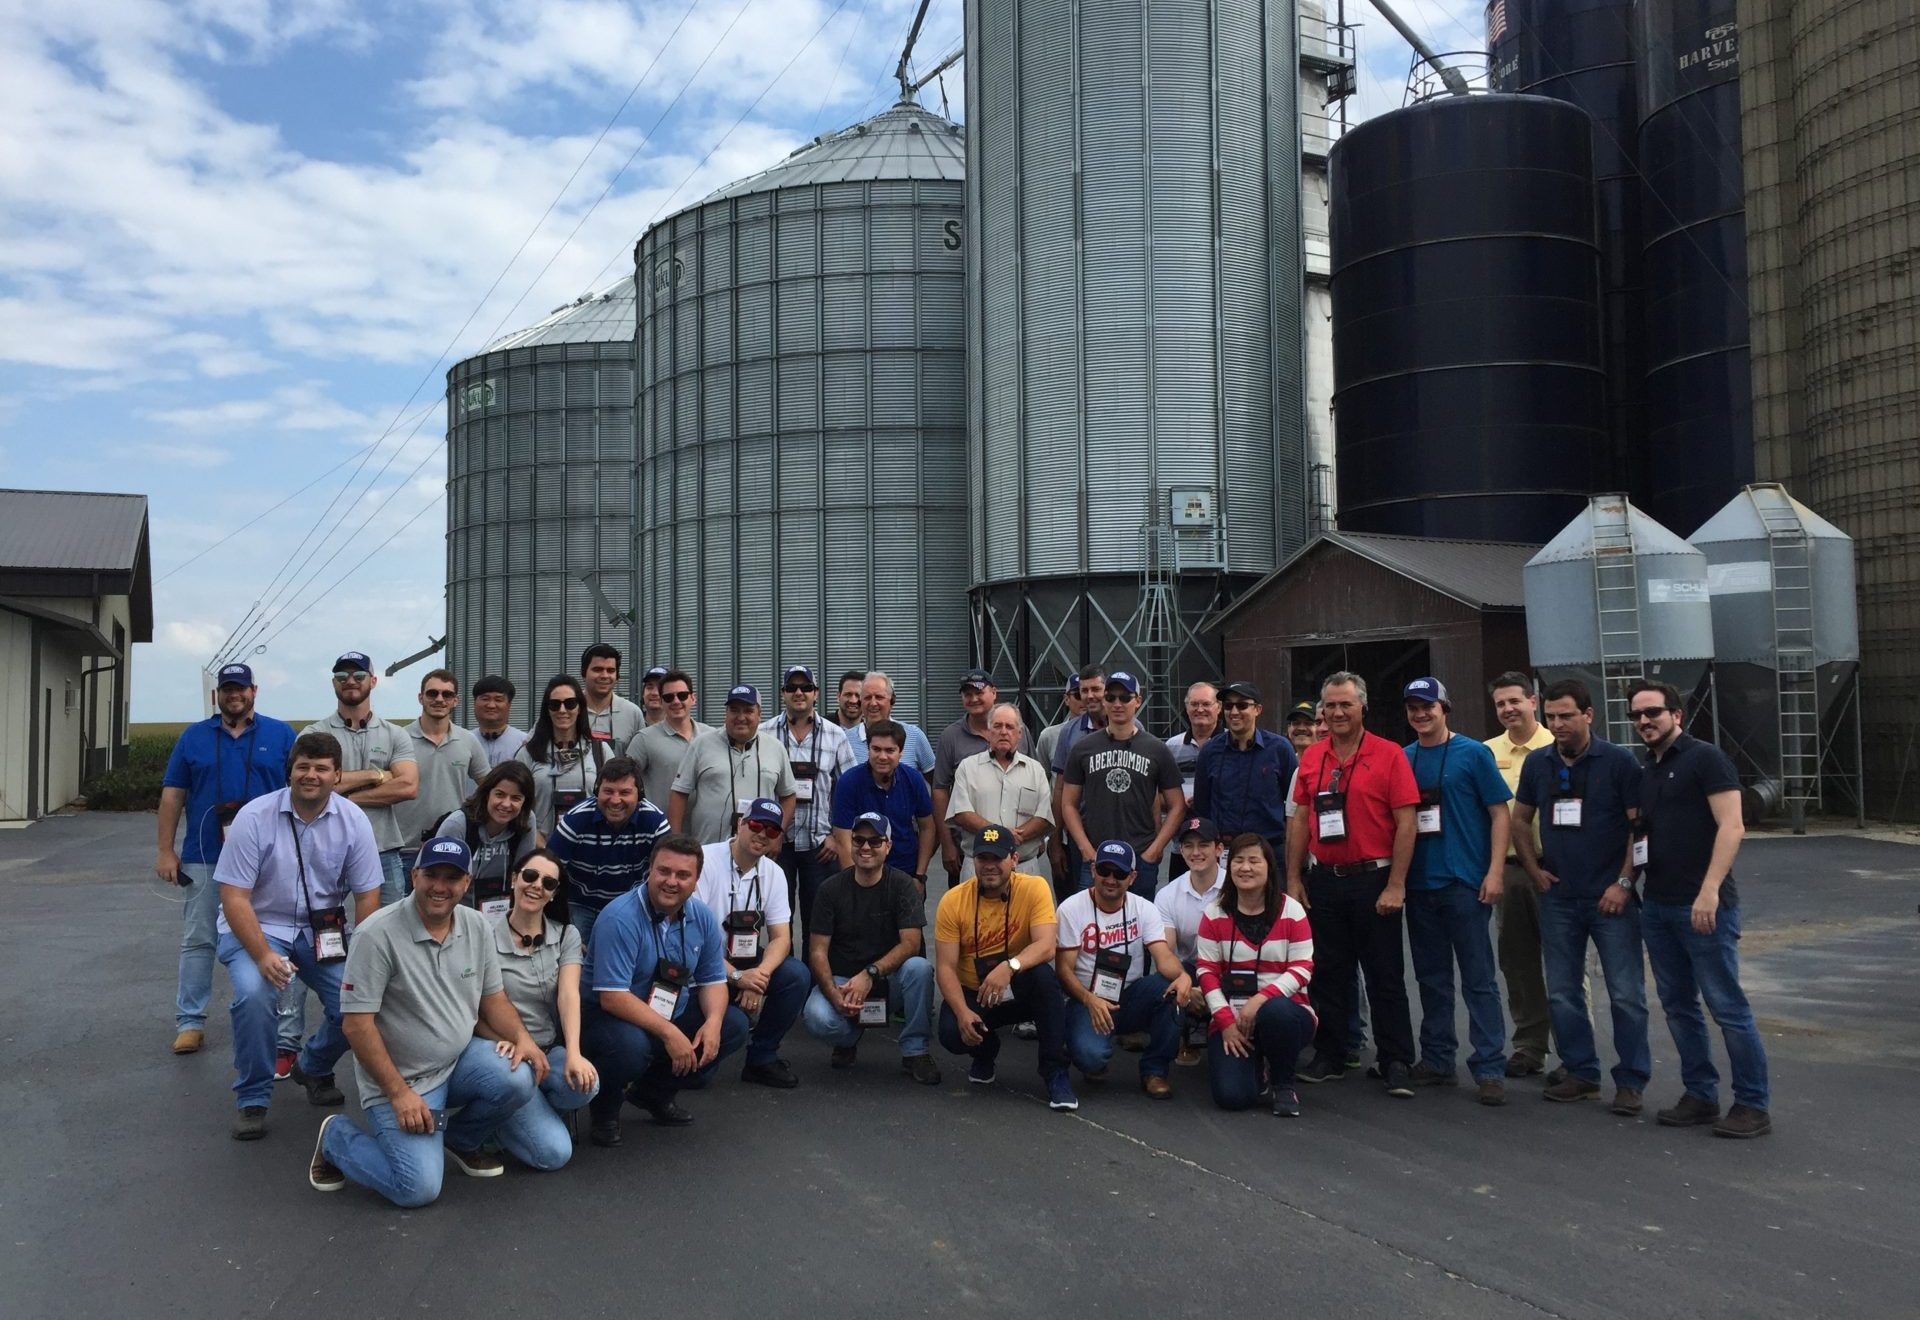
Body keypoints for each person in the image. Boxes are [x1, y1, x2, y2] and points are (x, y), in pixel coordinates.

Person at [306, 837, 543, 1203]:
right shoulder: (376, 934)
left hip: (458, 1061)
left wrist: (522, 1037)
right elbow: (356, 1025)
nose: (440, 887)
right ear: (414, 875)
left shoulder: (477, 925)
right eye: (431, 874)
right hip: (404, 1079)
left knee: (517, 1077)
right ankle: (337, 1137)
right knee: (417, 1188)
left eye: (452, 877)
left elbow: (493, 998)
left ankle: (459, 1139)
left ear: (467, 882)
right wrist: (399, 1093)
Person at [214, 732, 383, 1140]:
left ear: (337, 775)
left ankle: (313, 1065)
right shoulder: (254, 817)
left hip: (319, 930)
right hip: (257, 926)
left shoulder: (353, 820)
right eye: (302, 766)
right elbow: (234, 896)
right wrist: (261, 955)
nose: (311, 775)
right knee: (255, 996)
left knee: (356, 1002)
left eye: (321, 768)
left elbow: (368, 895)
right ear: (289, 771)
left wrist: (363, 956)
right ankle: (252, 1097)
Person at [1628, 680, 1771, 1138]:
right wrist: (1626, 882)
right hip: (1659, 906)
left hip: (1704, 907)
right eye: (1637, 715)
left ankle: (1752, 1105)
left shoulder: (1705, 759)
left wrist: (1709, 890)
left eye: (1653, 712)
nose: (1645, 722)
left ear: (1677, 715)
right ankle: (1700, 1095)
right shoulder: (1646, 769)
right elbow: (1641, 835)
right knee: (1678, 1006)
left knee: (1726, 1006)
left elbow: (1732, 825)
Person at [1512, 679, 1650, 1116]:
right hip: (1559, 898)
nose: (1558, 724)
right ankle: (1581, 1074)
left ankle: (1630, 1081)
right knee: (1563, 992)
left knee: (1626, 994)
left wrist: (1624, 883)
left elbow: (1639, 829)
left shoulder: (1619, 762)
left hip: (1611, 900)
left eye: (1566, 716)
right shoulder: (1539, 763)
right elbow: (1520, 820)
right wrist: (1534, 870)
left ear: (1589, 715)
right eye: (1551, 717)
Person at [1285, 671, 1419, 1096]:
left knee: (1385, 974)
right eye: (1331, 705)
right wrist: (1293, 878)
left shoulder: (1389, 754)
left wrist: (1396, 884)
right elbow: (1302, 819)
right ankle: (1333, 1053)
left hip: (1373, 877)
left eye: (1346, 704)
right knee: (1327, 972)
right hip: (1324, 878)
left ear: (1363, 707)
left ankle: (1395, 1059)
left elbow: (1406, 821)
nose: (1337, 712)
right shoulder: (1313, 757)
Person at [156, 662, 295, 1056]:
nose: (234, 695)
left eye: (241, 688)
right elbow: (172, 795)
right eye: (227, 689)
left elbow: (302, 788)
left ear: (255, 690)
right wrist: (166, 851)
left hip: (269, 858)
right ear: (218, 694)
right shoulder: (194, 737)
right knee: (198, 939)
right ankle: (190, 1021)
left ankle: (280, 1023)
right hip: (206, 856)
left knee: (276, 937)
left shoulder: (281, 734)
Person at [577, 834, 749, 1146]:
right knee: (630, 1047)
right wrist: (670, 1034)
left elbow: (713, 981)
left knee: (732, 1025)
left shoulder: (702, 917)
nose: (672, 882)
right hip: (607, 1018)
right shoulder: (620, 917)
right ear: (649, 871)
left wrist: (711, 1024)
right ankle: (605, 1110)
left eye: (683, 875)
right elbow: (612, 997)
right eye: (663, 871)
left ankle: (652, 1094)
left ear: (697, 880)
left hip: (665, 1009)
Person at [1400, 677, 1512, 1104]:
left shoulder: (1474, 753)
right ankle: (1438, 1059)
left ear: (1444, 708)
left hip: (1465, 882)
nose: (1420, 713)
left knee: (1479, 978)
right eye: (1413, 707)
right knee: (1431, 978)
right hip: (1420, 884)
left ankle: (1489, 1067)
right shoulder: (1404, 758)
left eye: (1427, 706)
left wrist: (1495, 871)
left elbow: (1499, 814)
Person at [474, 847, 599, 1170]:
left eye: (548, 883)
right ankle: (502, 1115)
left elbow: (569, 994)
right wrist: (506, 1040)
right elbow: (470, 1010)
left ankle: (525, 1112)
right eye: (530, 876)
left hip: (546, 1049)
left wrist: (573, 1051)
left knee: (588, 1082)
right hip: (503, 1051)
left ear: (555, 894)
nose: (536, 886)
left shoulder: (566, 935)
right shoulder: (483, 934)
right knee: (553, 1155)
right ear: (514, 879)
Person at [934, 826, 1074, 1108]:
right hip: (977, 991)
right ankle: (985, 1051)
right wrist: (962, 1013)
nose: (989, 866)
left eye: (997, 859)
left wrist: (1009, 967)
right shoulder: (953, 901)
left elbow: (1046, 945)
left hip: (1017, 987)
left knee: (1046, 981)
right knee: (951, 1033)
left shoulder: (1034, 888)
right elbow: (945, 968)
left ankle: (1055, 1072)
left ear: (1013, 859)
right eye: (982, 858)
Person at [801, 813, 941, 1082]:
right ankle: (848, 1036)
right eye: (859, 840)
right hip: (843, 981)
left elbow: (911, 944)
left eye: (875, 841)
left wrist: (870, 974)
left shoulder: (902, 885)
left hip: (888, 980)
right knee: (816, 1016)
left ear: (888, 846)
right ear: (850, 843)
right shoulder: (830, 889)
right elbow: (817, 951)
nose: (866, 847)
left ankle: (915, 1051)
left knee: (920, 969)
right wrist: (834, 994)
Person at [1054, 840, 1191, 1097]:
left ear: (1133, 877)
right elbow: (1063, 971)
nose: (1110, 879)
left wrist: (1183, 977)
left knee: (1172, 992)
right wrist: (1089, 999)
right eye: (1104, 870)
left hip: (1130, 995)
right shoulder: (1071, 908)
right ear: (1093, 870)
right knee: (1091, 1058)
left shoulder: (1144, 908)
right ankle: (1089, 1051)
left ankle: (1155, 1070)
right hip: (1087, 998)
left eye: (1119, 873)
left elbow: (1163, 957)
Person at [1195, 835, 1317, 1116]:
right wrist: (1225, 1021)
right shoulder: (1214, 914)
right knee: (1232, 1097)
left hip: (1285, 1012)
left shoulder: (1292, 911)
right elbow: (1207, 972)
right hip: (1232, 1018)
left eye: (1254, 860)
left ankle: (1283, 1082)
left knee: (1277, 1013)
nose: (1245, 868)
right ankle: (1256, 1067)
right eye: (1238, 860)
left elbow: (1302, 968)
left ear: (1268, 867)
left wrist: (1259, 1000)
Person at [695, 800, 809, 1089]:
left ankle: (762, 1057)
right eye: (756, 825)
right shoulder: (704, 861)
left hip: (745, 961)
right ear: (740, 824)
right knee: (700, 1077)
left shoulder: (774, 873)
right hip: (703, 965)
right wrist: (736, 977)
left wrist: (760, 977)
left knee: (796, 976)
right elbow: (692, 942)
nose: (763, 834)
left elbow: (782, 938)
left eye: (772, 831)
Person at [1481, 671, 1558, 1081]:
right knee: (1518, 962)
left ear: (1533, 701)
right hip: (1509, 870)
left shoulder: (1555, 745)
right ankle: (1530, 1046)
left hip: (1555, 869)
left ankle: (1575, 1052)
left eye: (1515, 701)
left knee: (1565, 964)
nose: (1508, 709)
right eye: (1500, 704)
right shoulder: (1486, 752)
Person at [305, 652, 418, 908]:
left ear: (373, 681)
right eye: (342, 676)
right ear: (334, 683)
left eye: (358, 675)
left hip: (384, 850)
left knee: (389, 928)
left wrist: (343, 795)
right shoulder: (314, 733)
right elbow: (312, 785)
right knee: (321, 927)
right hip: (327, 849)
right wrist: (375, 774)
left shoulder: (395, 734)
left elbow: (408, 786)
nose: (350, 681)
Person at [1060, 672, 1185, 896]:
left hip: (1140, 858)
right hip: (1097, 858)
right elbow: (1068, 803)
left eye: (1125, 697)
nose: (1117, 704)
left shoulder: (1156, 749)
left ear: (1137, 700)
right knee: (1092, 926)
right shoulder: (1083, 748)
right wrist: (1086, 848)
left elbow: (1177, 804)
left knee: (1139, 926)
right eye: (1111, 697)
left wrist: (1156, 849)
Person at [763, 664, 857, 923]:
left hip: (820, 845)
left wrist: (836, 837)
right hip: (775, 844)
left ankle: (814, 966)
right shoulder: (764, 733)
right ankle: (783, 964)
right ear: (783, 693)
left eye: (805, 687)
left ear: (816, 692)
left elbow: (850, 790)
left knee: (819, 921)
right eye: (792, 687)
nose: (799, 692)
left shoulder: (835, 735)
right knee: (778, 918)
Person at [546, 756, 670, 945]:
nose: (615, 800)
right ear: (597, 791)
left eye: (625, 792)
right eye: (608, 791)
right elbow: (549, 870)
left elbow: (669, 870)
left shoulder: (655, 821)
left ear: (640, 794)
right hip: (581, 904)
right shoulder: (575, 819)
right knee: (575, 960)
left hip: (631, 905)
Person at [931, 669, 1034, 883]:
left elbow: (1035, 781)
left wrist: (1039, 836)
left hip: (1019, 853)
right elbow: (940, 790)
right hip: (969, 851)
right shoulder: (950, 737)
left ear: (994, 692)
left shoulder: (1019, 732)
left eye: (979, 692)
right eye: (967, 694)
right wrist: (947, 843)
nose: (973, 698)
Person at [670, 684, 797, 844]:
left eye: (748, 711)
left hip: (759, 850)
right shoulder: (701, 744)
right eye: (734, 710)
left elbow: (789, 796)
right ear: (726, 714)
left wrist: (777, 836)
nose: (741, 717)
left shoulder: (776, 748)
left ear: (759, 715)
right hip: (709, 849)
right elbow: (679, 793)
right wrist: (674, 840)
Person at [947, 703, 1054, 882]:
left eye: (1010, 726)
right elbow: (961, 813)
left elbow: (1044, 817)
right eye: (997, 726)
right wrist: (1002, 837)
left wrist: (1010, 838)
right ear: (988, 732)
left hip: (1024, 868)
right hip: (979, 868)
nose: (1004, 732)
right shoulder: (968, 767)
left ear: (1019, 734)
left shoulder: (1036, 770)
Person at [394, 669, 490, 867]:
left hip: (450, 845)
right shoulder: (398, 739)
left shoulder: (468, 741)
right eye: (432, 693)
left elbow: (490, 786)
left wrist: (471, 817)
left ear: (456, 700)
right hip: (402, 849)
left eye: (447, 694)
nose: (439, 699)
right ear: (421, 698)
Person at [1193, 681, 1298, 852]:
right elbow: (1202, 805)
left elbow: (1295, 804)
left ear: (1257, 709)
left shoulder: (1280, 748)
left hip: (1270, 848)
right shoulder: (1210, 751)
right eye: (1228, 706)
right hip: (1225, 849)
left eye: (1242, 705)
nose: (1234, 712)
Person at [831, 720, 936, 891]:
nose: (882, 756)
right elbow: (843, 839)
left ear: (901, 752)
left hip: (906, 873)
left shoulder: (913, 779)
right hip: (863, 874)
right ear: (868, 749)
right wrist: (853, 885)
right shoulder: (849, 782)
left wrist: (919, 876)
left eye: (890, 750)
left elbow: (927, 828)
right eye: (876, 749)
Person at [1155, 817, 1227, 1065]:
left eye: (1204, 845)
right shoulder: (1167, 895)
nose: (1196, 852)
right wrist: (1188, 984)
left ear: (1219, 849)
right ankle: (1184, 1038)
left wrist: (1213, 988)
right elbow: (1165, 952)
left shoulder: (1236, 885)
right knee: (1163, 981)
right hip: (1190, 969)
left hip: (1230, 968)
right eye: (1188, 845)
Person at [435, 762, 538, 916]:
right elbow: (438, 882)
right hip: (457, 912)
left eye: (516, 798)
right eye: (500, 794)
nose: (506, 804)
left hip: (501, 912)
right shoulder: (457, 824)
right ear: (487, 793)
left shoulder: (526, 820)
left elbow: (523, 875)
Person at [515, 675, 603, 840]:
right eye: (555, 705)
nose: (562, 710)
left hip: (590, 846)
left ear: (580, 707)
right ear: (547, 710)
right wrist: (537, 842)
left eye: (570, 703)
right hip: (541, 848)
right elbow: (516, 802)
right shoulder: (528, 753)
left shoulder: (600, 751)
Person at [1046, 667, 1106, 893]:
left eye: (1096, 689)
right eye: (1084, 690)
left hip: (1126, 834)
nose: (1090, 696)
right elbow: (1059, 790)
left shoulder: (1132, 728)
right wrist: (1054, 843)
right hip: (1081, 837)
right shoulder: (1069, 733)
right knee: (1084, 901)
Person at [625, 669, 713, 811]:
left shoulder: (711, 736)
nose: (676, 701)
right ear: (661, 701)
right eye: (668, 697)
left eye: (682, 695)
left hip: (704, 830)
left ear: (693, 698)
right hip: (662, 830)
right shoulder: (644, 739)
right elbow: (625, 783)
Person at [848, 670, 937, 772]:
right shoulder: (845, 740)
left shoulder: (915, 735)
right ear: (860, 702)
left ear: (892, 701)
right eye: (867, 697)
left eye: (879, 697)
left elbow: (935, 782)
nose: (873, 703)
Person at [580, 643, 646, 751]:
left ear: (617, 676)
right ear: (583, 673)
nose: (604, 676)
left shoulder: (632, 713)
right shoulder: (568, 709)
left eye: (610, 670)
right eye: (597, 669)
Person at [1168, 681, 1222, 802]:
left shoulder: (1231, 742)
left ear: (1219, 707)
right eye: (1194, 704)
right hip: (1183, 817)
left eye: (1206, 704)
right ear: (1187, 708)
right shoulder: (1171, 746)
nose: (1200, 709)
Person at [471, 675, 529, 767]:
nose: (491, 705)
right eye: (485, 699)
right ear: (474, 703)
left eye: (498, 700)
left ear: (509, 705)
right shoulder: (464, 740)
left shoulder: (525, 742)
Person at [1033, 674, 1082, 780]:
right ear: (1067, 699)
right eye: (1078, 695)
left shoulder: (1105, 733)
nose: (1085, 699)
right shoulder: (1049, 736)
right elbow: (1040, 778)